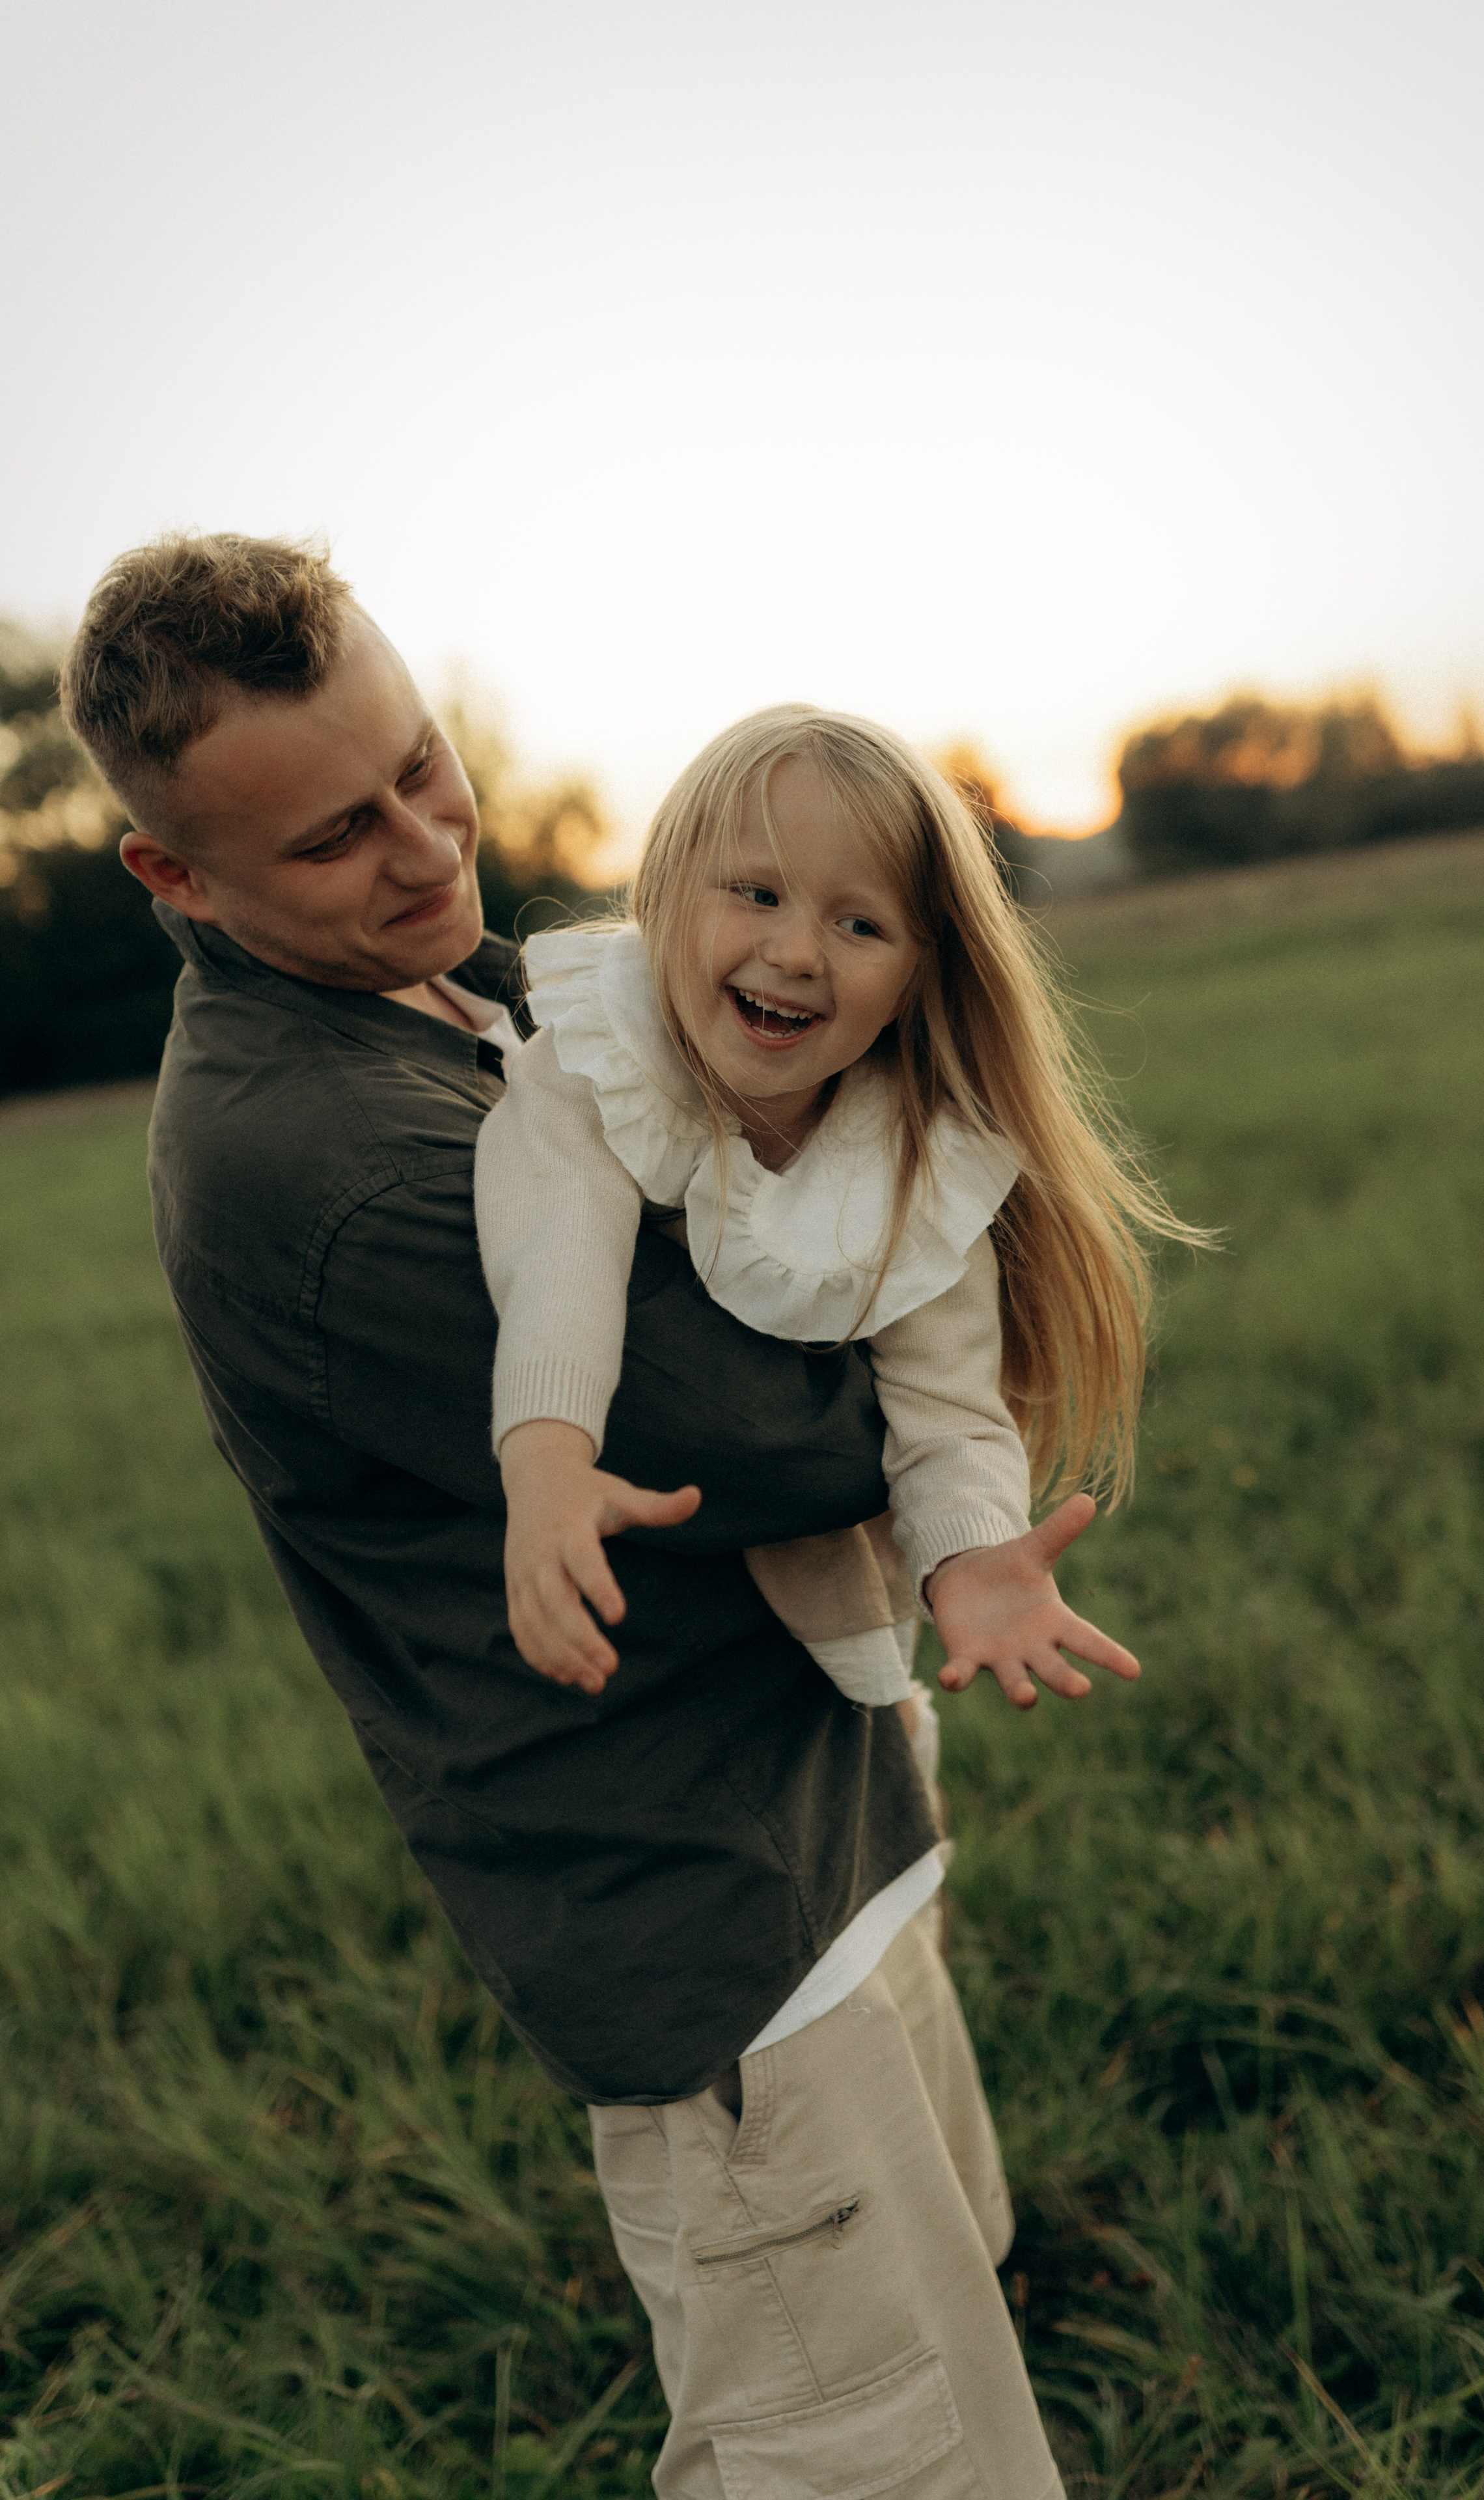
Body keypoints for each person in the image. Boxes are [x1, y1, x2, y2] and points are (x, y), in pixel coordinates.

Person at [57, 532, 1092, 2499]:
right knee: (871, 2467)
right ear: (173, 877)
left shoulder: (445, 995)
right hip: (698, 1920)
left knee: (954, 2357)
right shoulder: (329, 1158)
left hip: (816, 1830)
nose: (428, 849)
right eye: (334, 837)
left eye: (422, 766)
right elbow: (772, 1439)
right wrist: (923, 1283)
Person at [476, 706, 1174, 1755]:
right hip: (614, 1560)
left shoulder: (910, 1168)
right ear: (665, 891)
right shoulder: (596, 1067)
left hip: (827, 1605)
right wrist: (546, 1465)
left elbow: (950, 1408)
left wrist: (975, 1560)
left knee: (871, 1795)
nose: (797, 951)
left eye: (861, 925)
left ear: (912, 981)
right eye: (756, 894)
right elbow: (556, 1264)